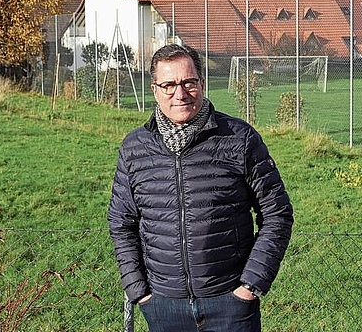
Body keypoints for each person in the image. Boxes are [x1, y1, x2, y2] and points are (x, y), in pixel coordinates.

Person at [107, 44, 293, 332]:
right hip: (163, 305)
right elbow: (121, 222)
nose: (179, 94)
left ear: (202, 84)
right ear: (154, 90)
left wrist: (250, 285)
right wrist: (138, 290)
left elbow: (277, 213)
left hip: (230, 303)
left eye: (188, 83)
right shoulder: (135, 148)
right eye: (168, 85)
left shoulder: (238, 139)